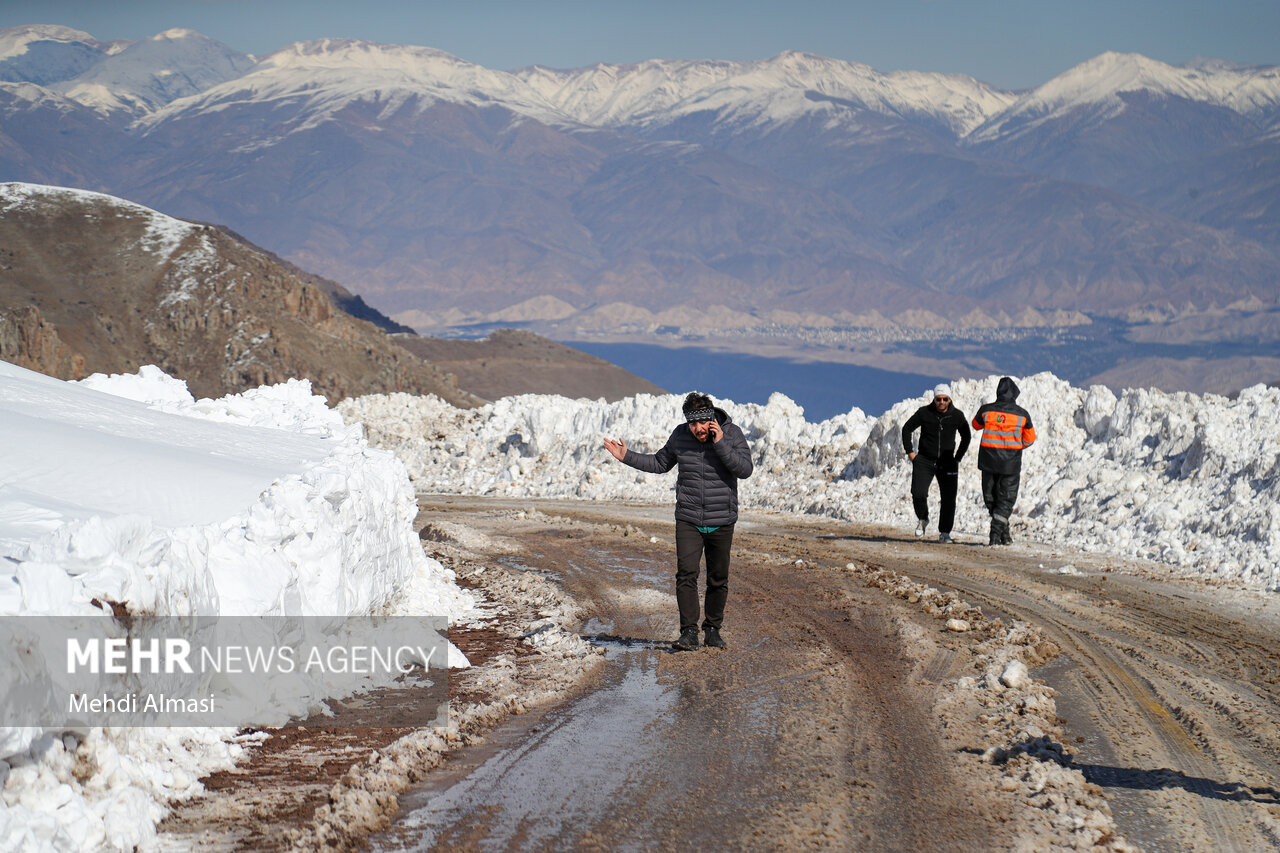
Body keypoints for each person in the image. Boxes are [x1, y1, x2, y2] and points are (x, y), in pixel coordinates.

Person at [603, 392, 754, 651]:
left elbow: (745, 470)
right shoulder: (680, 435)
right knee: (686, 575)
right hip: (689, 517)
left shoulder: (732, 434)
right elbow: (660, 463)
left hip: (722, 519)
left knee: (718, 578)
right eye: (693, 424)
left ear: (712, 419)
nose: (698, 429)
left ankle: (713, 630)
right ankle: (688, 632)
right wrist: (627, 456)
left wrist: (721, 444)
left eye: (702, 423)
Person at [970, 376, 1037, 546]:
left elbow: (975, 425)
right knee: (1006, 500)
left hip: (988, 462)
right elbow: (1030, 439)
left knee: (991, 498)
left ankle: (1001, 534)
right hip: (1010, 464)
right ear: (1014, 394)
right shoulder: (1022, 415)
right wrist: (1014, 447)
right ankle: (997, 534)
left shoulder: (986, 410)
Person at [901, 383, 971, 543]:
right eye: (938, 399)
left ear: (949, 399)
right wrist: (911, 453)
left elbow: (966, 436)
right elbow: (907, 429)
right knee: (918, 493)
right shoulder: (924, 413)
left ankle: (945, 533)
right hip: (924, 460)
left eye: (945, 399)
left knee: (948, 498)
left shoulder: (957, 416)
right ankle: (923, 518)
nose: (941, 402)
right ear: (934, 399)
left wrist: (957, 457)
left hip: (947, 462)